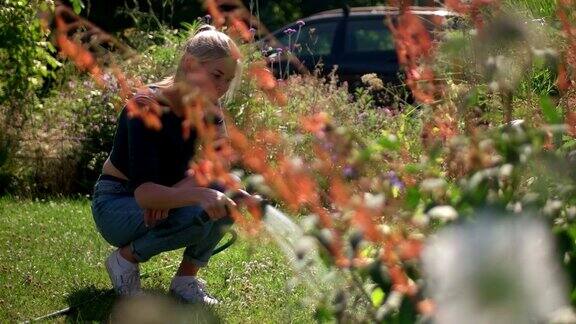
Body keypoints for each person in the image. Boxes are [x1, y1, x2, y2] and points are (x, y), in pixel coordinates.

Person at [91, 25, 244, 305]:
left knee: (227, 192)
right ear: (189, 64)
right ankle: (124, 261)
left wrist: (174, 194)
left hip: (159, 193)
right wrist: (192, 193)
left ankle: (185, 280)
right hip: (117, 203)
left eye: (227, 80)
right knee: (199, 211)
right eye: (216, 76)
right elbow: (145, 194)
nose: (221, 88)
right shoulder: (146, 106)